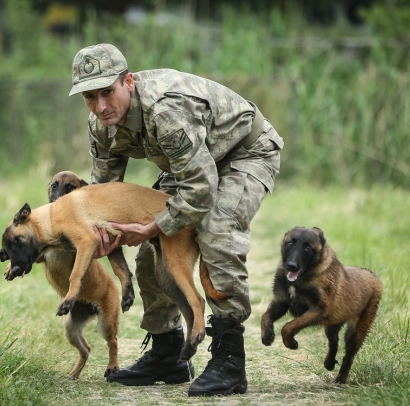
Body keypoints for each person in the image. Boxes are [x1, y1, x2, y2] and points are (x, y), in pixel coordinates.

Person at [68, 43, 283, 397]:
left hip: (244, 151)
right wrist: (102, 233)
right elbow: (104, 193)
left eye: (108, 92)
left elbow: (201, 189)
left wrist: (152, 226)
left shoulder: (164, 111)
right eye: (90, 97)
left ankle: (229, 360)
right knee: (152, 251)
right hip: (190, 164)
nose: (102, 106)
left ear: (129, 83)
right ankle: (168, 354)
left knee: (216, 232)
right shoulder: (101, 125)